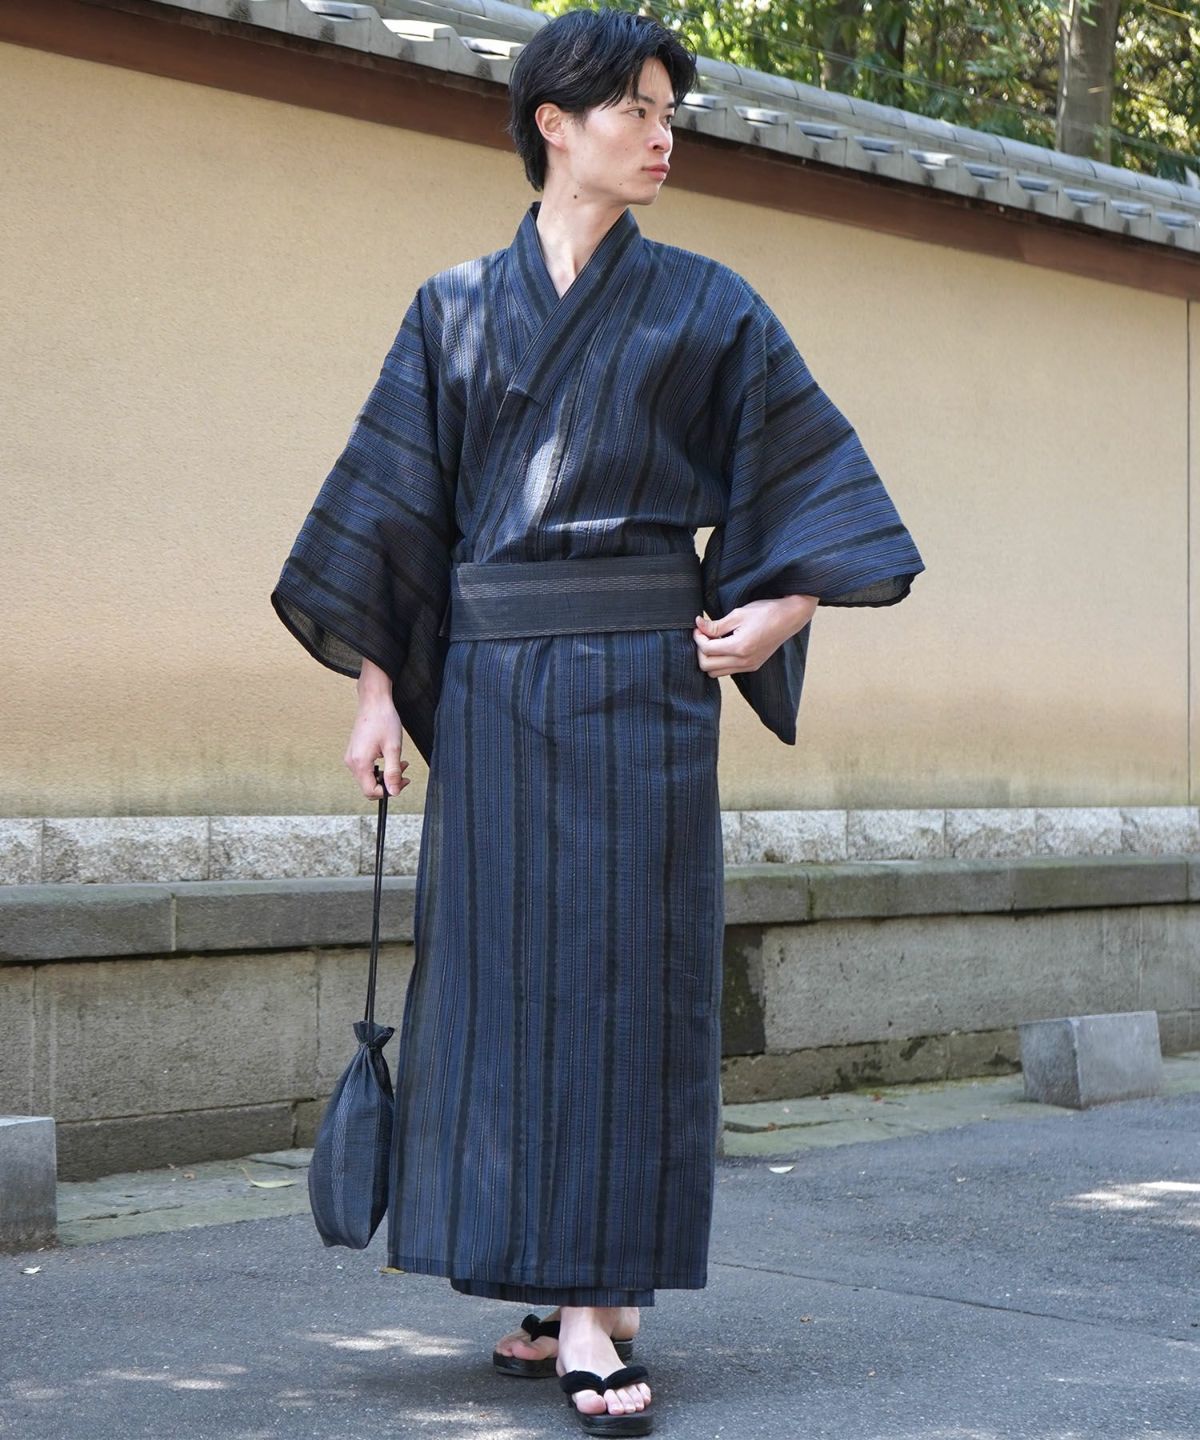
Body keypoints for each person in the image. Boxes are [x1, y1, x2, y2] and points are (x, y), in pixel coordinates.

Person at [270, 7, 924, 1434]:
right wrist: (378, 695)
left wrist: (781, 608)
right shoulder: (452, 309)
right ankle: (558, 1287)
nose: (661, 133)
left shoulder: (710, 307)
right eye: (633, 107)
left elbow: (814, 477)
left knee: (628, 990)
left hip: (643, 691)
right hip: (497, 699)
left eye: (669, 110)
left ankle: (592, 1307)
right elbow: (393, 517)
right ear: (552, 124)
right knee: (501, 988)